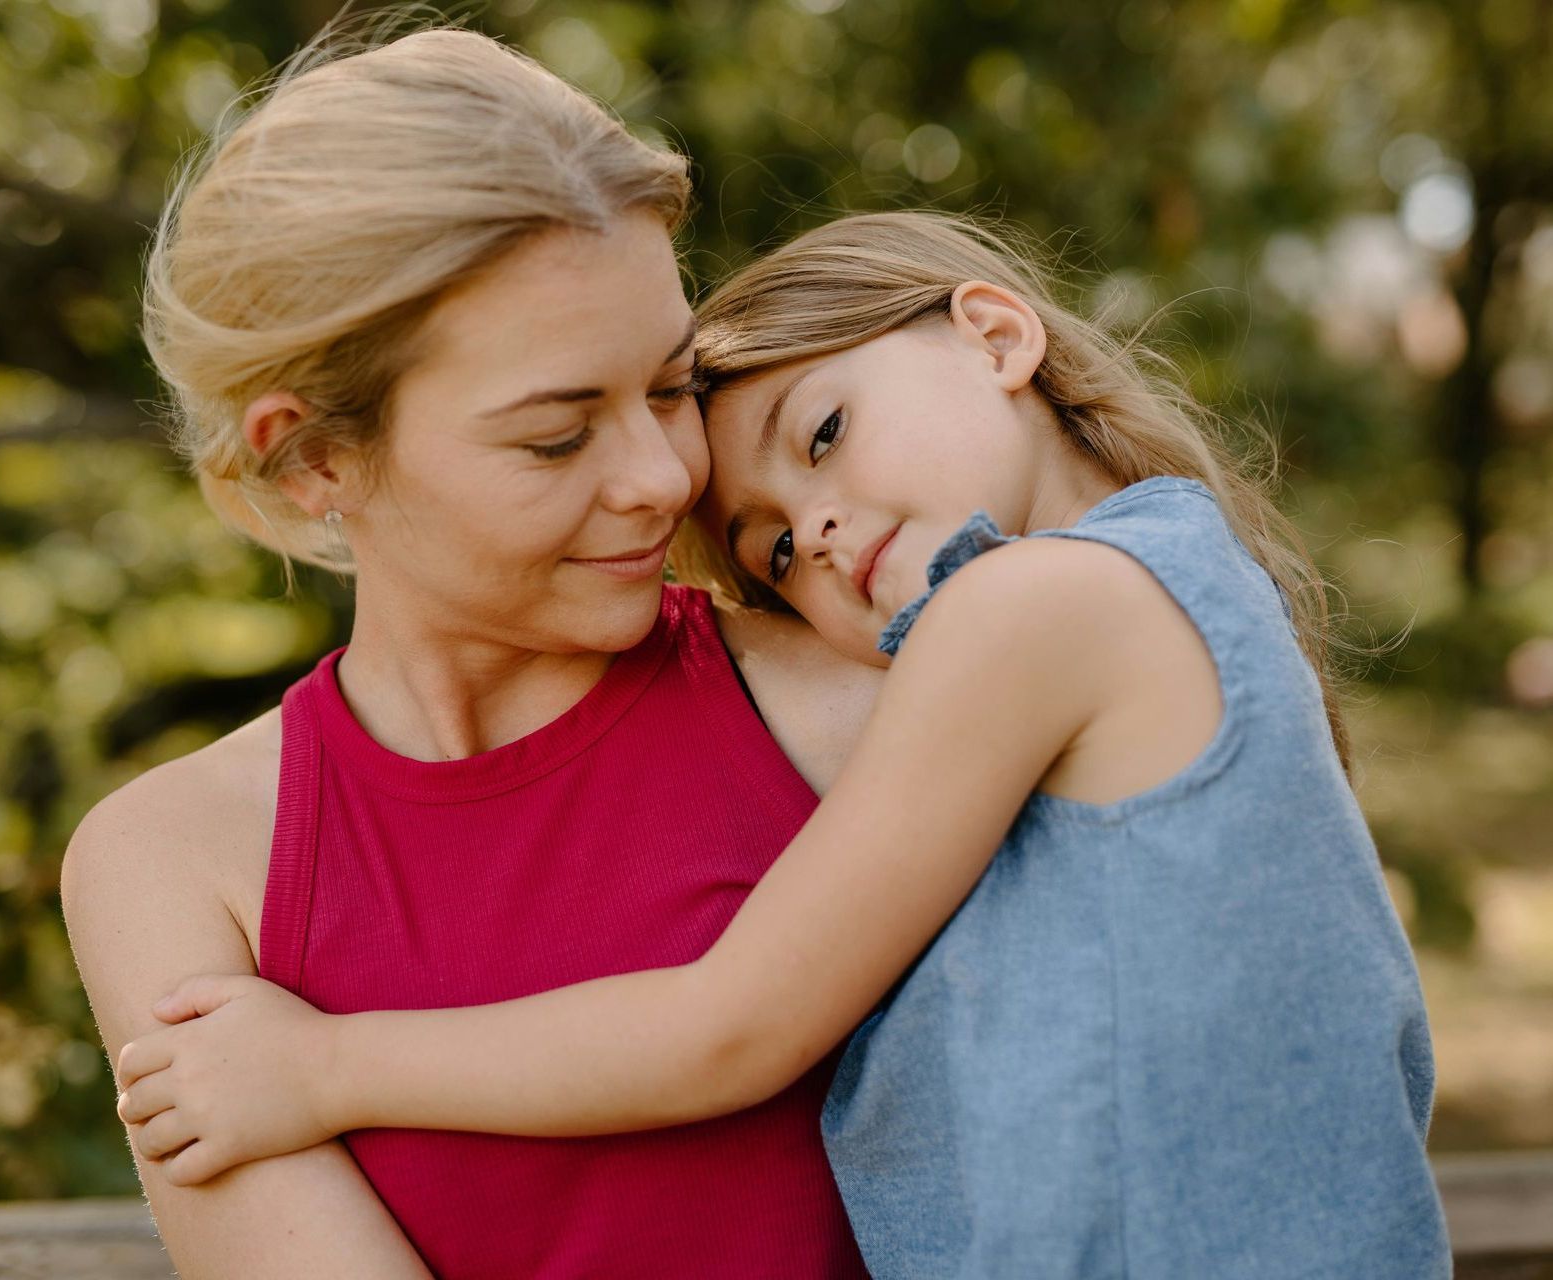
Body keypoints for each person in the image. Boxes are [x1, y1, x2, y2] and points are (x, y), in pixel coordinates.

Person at [115, 211, 1452, 1279]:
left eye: (823, 433)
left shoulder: (1028, 612)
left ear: (992, 334)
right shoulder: (1167, 591)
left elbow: (727, 1024)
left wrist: (324, 1066)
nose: (810, 530)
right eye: (763, 546)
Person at [62, 26, 882, 1280]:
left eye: (670, 388)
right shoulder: (175, 861)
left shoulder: (858, 713)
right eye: (557, 438)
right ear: (311, 456)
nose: (661, 478)